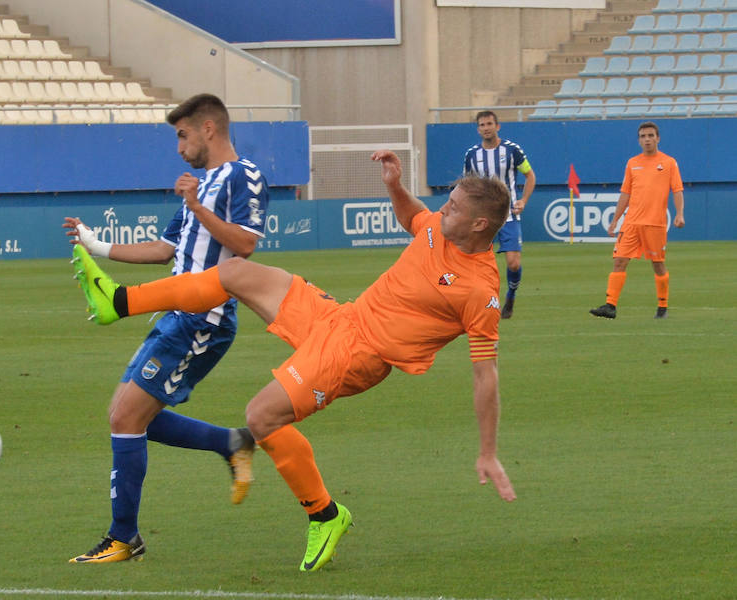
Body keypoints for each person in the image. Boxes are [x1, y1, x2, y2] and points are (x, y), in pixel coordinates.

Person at [71, 149, 518, 572]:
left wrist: (488, 452)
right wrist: (395, 186)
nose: (443, 211)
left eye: (455, 208)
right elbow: (414, 219)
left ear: (480, 224)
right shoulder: (439, 227)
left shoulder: (479, 291)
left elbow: (486, 375)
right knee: (234, 273)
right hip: (340, 317)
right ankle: (119, 301)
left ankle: (324, 514)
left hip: (358, 354)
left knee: (260, 416)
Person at [64, 93, 270, 564]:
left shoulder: (244, 176)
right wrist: (97, 245)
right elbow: (165, 249)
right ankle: (230, 442)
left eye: (183, 136)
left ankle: (123, 538)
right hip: (175, 314)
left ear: (209, 129)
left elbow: (246, 244)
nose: (179, 148)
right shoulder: (199, 185)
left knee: (126, 418)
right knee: (127, 414)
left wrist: (198, 207)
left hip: (205, 320)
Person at [590, 121, 685, 320]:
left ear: (658, 138)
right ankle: (610, 305)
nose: (647, 139)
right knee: (619, 261)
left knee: (658, 265)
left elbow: (677, 190)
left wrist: (679, 213)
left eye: (651, 135)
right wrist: (615, 220)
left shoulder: (669, 163)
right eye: (643, 136)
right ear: (639, 140)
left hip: (655, 224)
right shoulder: (633, 163)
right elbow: (625, 193)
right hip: (631, 223)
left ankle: (662, 306)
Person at [463, 110, 536, 319]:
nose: (486, 128)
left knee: (514, 263)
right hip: (482, 217)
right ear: (478, 129)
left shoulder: (512, 151)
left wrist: (523, 200)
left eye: (489, 124)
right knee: (473, 261)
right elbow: (467, 185)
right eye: (482, 125)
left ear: (498, 126)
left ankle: (511, 296)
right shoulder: (471, 155)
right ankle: (478, 302)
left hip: (509, 215)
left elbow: (530, 175)